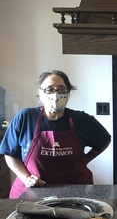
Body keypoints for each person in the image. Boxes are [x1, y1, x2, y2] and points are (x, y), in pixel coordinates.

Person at [0, 70, 111, 198]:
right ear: (40, 92)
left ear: (68, 93)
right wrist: (26, 178)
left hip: (74, 193)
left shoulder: (81, 119)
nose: (56, 94)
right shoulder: (25, 117)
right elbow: (9, 153)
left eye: (61, 89)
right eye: (50, 89)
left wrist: (84, 160)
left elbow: (104, 140)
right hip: (33, 192)